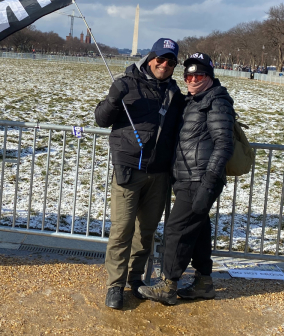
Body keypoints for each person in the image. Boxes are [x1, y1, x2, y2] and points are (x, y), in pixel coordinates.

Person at [138, 52, 235, 305]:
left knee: (176, 231)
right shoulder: (193, 99)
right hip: (187, 177)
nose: (191, 80)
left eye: (198, 75)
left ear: (209, 76)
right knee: (199, 229)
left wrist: (208, 183)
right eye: (188, 75)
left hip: (199, 179)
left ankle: (168, 285)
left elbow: (224, 144)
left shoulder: (216, 101)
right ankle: (204, 282)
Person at [95, 38, 184, 310]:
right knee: (122, 230)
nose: (165, 65)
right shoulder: (126, 83)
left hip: (158, 174)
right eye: (161, 59)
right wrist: (113, 98)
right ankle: (114, 285)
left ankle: (135, 278)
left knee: (145, 233)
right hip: (128, 170)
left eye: (171, 62)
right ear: (149, 58)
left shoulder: (174, 92)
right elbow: (101, 119)